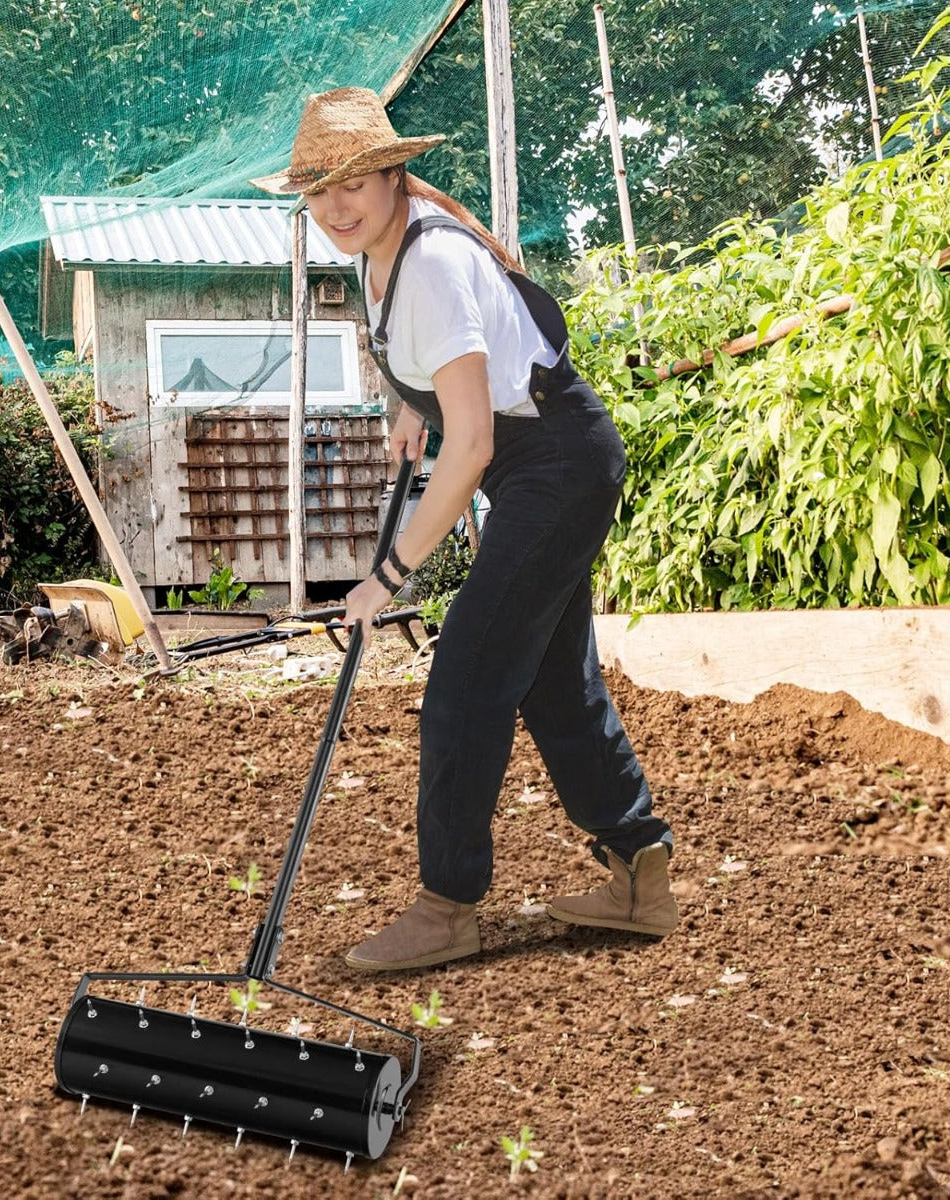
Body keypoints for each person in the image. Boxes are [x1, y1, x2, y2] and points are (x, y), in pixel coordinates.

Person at [251, 87, 676, 971]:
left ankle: (447, 907)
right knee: (553, 681)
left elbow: (476, 441)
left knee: (465, 679)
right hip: (542, 462)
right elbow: (456, 387)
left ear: (393, 172)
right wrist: (416, 411)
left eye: (354, 182)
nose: (335, 206)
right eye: (317, 189)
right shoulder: (379, 253)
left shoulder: (432, 260)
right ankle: (640, 873)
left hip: (554, 465)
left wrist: (388, 577)